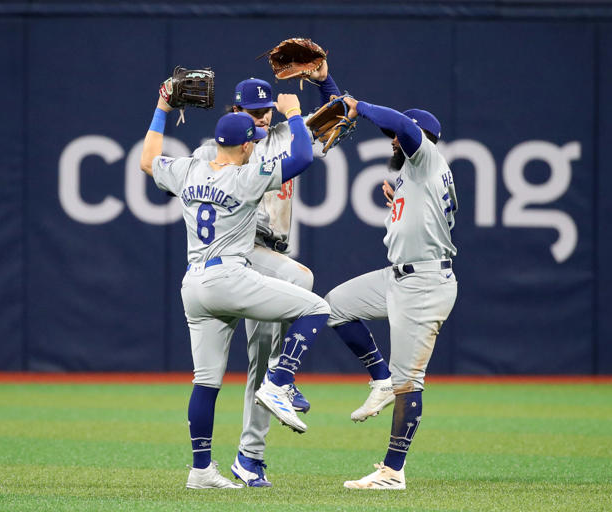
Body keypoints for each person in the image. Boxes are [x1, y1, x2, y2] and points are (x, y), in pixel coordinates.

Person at [139, 87, 330, 489]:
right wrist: (294, 112)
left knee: (206, 382)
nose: (259, 129)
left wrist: (161, 107)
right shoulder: (242, 175)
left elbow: (146, 160)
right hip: (233, 271)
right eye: (253, 128)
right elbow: (302, 157)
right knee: (314, 303)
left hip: (194, 282)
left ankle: (203, 470)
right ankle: (281, 379)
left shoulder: (191, 168)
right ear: (244, 142)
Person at [191, 63, 342, 487]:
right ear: (235, 109)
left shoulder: (287, 136)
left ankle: (249, 457)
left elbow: (339, 116)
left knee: (259, 369)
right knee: (302, 281)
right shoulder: (214, 149)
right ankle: (284, 379)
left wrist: (322, 80)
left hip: (271, 253)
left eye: (267, 110)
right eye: (253, 111)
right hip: (239, 251)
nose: (262, 118)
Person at [323, 98, 458, 490]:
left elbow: (402, 126)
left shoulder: (428, 157)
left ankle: (392, 471)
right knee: (332, 306)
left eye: (397, 139)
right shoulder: (415, 175)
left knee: (410, 382)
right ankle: (379, 377)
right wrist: (327, 87)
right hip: (397, 276)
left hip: (425, 283)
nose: (392, 144)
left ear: (418, 140)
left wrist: (357, 104)